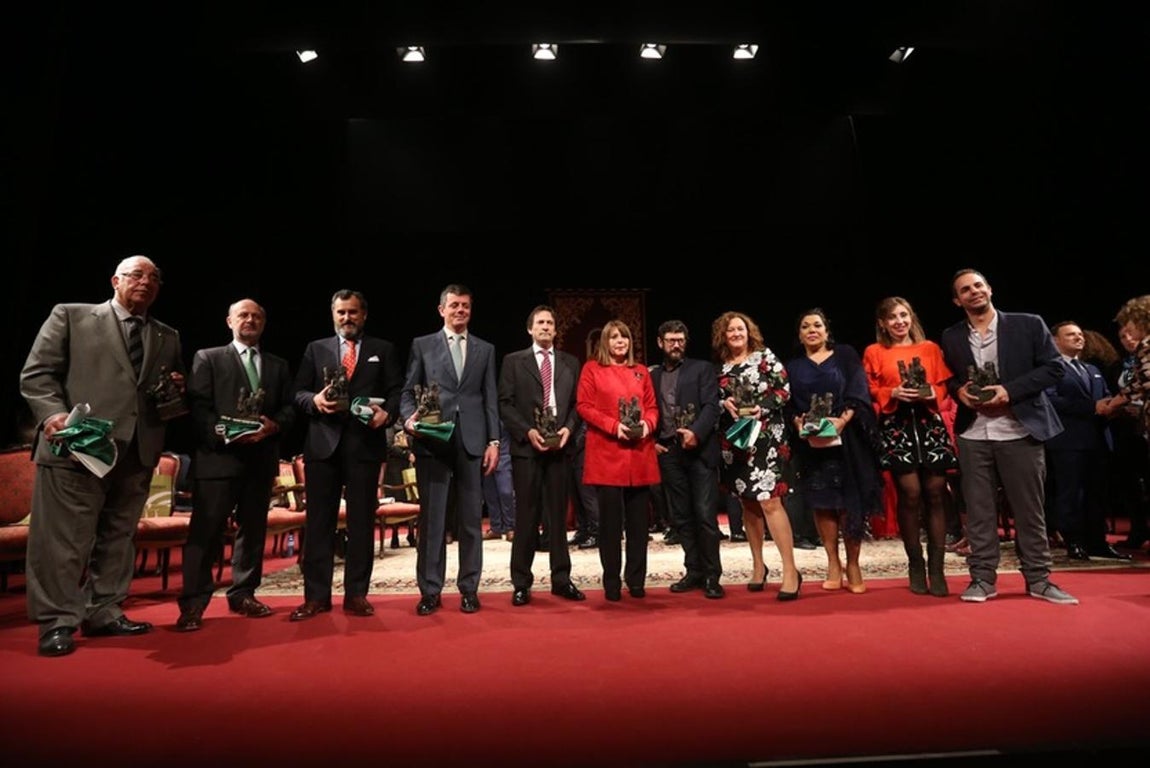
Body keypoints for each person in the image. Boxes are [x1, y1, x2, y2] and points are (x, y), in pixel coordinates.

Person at [20, 255, 185, 657]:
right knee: (63, 541)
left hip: (137, 452)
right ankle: (57, 622)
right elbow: (37, 375)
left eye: (154, 277)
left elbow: (163, 394)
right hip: (77, 447)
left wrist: (175, 390)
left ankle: (104, 612)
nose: (145, 281)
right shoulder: (72, 316)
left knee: (118, 538)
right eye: (136, 274)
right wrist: (53, 415)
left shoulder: (167, 336)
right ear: (115, 280)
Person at [938, 269, 1077, 605]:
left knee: (1029, 509)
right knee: (979, 510)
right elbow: (952, 379)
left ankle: (1039, 580)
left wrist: (1009, 391)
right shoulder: (951, 336)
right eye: (965, 290)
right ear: (958, 300)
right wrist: (960, 393)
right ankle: (982, 580)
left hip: (1019, 428)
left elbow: (1053, 368)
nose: (973, 292)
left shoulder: (1028, 324)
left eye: (978, 286)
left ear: (989, 288)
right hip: (974, 432)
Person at [175, 298, 296, 631]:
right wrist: (224, 433)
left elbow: (288, 408)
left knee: (253, 532)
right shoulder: (208, 358)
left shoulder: (277, 365)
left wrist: (275, 425)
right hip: (218, 460)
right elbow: (198, 407)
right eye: (243, 315)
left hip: (261, 459)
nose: (250, 320)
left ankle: (243, 593)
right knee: (206, 533)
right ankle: (193, 604)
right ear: (229, 321)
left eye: (257, 316)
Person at [290, 289, 403, 621]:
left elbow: (397, 391)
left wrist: (389, 415)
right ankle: (316, 597)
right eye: (341, 313)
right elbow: (297, 392)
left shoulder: (383, 349)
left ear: (363, 315)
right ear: (333, 315)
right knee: (319, 524)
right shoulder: (316, 349)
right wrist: (314, 401)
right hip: (322, 448)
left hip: (364, 448)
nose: (347, 318)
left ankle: (356, 594)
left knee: (361, 523)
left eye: (352, 312)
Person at [401, 284, 501, 616]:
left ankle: (469, 589)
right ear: (441, 309)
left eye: (466, 306)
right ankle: (430, 590)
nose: (460, 311)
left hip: (473, 441)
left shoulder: (485, 350)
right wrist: (408, 420)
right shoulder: (422, 345)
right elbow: (407, 393)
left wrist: (494, 442)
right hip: (433, 440)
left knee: (472, 521)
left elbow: (489, 399)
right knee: (433, 521)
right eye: (454, 305)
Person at [862, 296, 960, 596]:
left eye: (903, 315)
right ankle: (915, 563)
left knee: (935, 492)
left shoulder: (929, 348)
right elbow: (868, 389)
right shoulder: (874, 351)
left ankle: (937, 569)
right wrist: (892, 393)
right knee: (911, 493)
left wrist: (932, 392)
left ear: (911, 317)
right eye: (892, 317)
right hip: (896, 426)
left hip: (929, 424)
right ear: (882, 323)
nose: (899, 322)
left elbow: (944, 385)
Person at [785, 308, 883, 595]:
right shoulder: (792, 366)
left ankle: (853, 564)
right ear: (799, 334)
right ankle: (832, 562)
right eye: (805, 326)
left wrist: (842, 420)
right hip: (812, 443)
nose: (812, 330)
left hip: (848, 438)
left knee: (850, 500)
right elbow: (788, 403)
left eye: (817, 325)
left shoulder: (845, 355)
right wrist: (798, 421)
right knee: (822, 500)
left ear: (827, 331)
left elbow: (858, 389)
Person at [498, 304, 586, 605]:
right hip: (527, 450)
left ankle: (561, 579)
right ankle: (521, 582)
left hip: (560, 449)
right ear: (530, 329)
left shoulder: (571, 362)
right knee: (526, 517)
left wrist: (569, 430)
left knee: (558, 519)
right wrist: (527, 432)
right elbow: (505, 404)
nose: (546, 327)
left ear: (556, 329)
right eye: (540, 323)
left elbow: (577, 405)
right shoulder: (513, 362)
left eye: (550, 322)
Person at [712, 310, 802, 600]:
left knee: (770, 501)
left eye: (740, 329)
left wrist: (761, 407)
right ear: (723, 336)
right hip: (736, 440)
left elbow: (784, 390)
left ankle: (790, 570)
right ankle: (757, 565)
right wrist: (723, 403)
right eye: (730, 331)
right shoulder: (722, 367)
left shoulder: (766, 357)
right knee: (748, 503)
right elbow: (715, 397)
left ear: (749, 331)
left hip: (766, 437)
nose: (736, 334)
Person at [576, 319, 660, 601]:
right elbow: (584, 406)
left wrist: (648, 425)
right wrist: (614, 427)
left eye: (624, 336)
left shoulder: (640, 371)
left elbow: (651, 407)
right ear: (605, 342)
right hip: (607, 453)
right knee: (610, 526)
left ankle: (636, 580)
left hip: (639, 453)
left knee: (638, 525)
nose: (620, 341)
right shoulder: (592, 369)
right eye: (614, 337)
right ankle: (611, 581)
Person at [650, 320, 725, 599]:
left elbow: (711, 406)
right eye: (670, 340)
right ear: (660, 343)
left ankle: (712, 576)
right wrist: (652, 442)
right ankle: (693, 571)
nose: (676, 344)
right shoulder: (653, 375)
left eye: (680, 339)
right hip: (669, 452)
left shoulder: (702, 368)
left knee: (705, 516)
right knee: (681, 517)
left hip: (699, 451)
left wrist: (696, 432)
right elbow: (649, 410)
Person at [1043, 321, 1128, 562]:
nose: (1079, 338)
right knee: (1072, 493)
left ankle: (1097, 542)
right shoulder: (1051, 369)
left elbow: (1104, 399)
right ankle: (1074, 541)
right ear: (1055, 341)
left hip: (1099, 439)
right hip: (1068, 441)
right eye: (1071, 335)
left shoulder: (1092, 369)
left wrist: (1113, 406)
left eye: (1080, 334)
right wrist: (1093, 406)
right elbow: (1051, 401)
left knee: (1097, 492)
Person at [1113, 296, 1150, 548]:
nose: (1128, 333)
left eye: (1130, 325)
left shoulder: (1147, 347)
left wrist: (1113, 403)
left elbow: (1145, 382)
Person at [481, 422, 516, 541]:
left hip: (504, 446)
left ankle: (510, 526)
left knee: (505, 491)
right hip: (484, 445)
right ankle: (496, 527)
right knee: (489, 492)